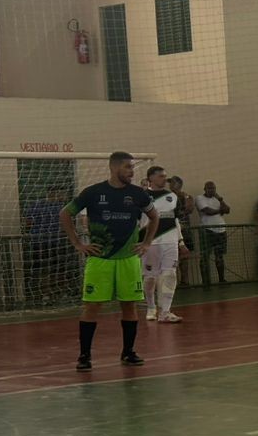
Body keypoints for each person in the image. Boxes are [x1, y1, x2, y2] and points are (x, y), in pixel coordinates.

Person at [60, 151, 158, 370]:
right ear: (114, 168)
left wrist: (147, 243)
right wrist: (78, 244)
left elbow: (154, 217)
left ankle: (128, 352)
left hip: (128, 259)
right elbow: (65, 214)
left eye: (132, 168)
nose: (132, 172)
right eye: (128, 168)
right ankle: (84, 356)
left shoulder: (138, 193)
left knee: (129, 306)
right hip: (100, 259)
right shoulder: (93, 192)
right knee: (91, 307)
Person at [141, 164, 189, 322]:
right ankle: (151, 307)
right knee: (150, 277)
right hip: (150, 242)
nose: (164, 179)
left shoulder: (173, 197)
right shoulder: (141, 197)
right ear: (151, 178)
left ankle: (165, 312)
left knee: (169, 274)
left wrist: (181, 242)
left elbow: (176, 221)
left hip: (170, 242)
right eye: (161, 176)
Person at [195, 180, 229, 285]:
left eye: (213, 188)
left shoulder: (217, 199)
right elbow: (207, 211)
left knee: (219, 256)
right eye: (209, 188)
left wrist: (220, 199)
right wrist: (220, 210)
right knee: (205, 256)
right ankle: (206, 282)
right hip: (207, 230)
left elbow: (227, 210)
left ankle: (221, 279)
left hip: (221, 230)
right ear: (205, 189)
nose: (212, 190)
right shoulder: (200, 198)